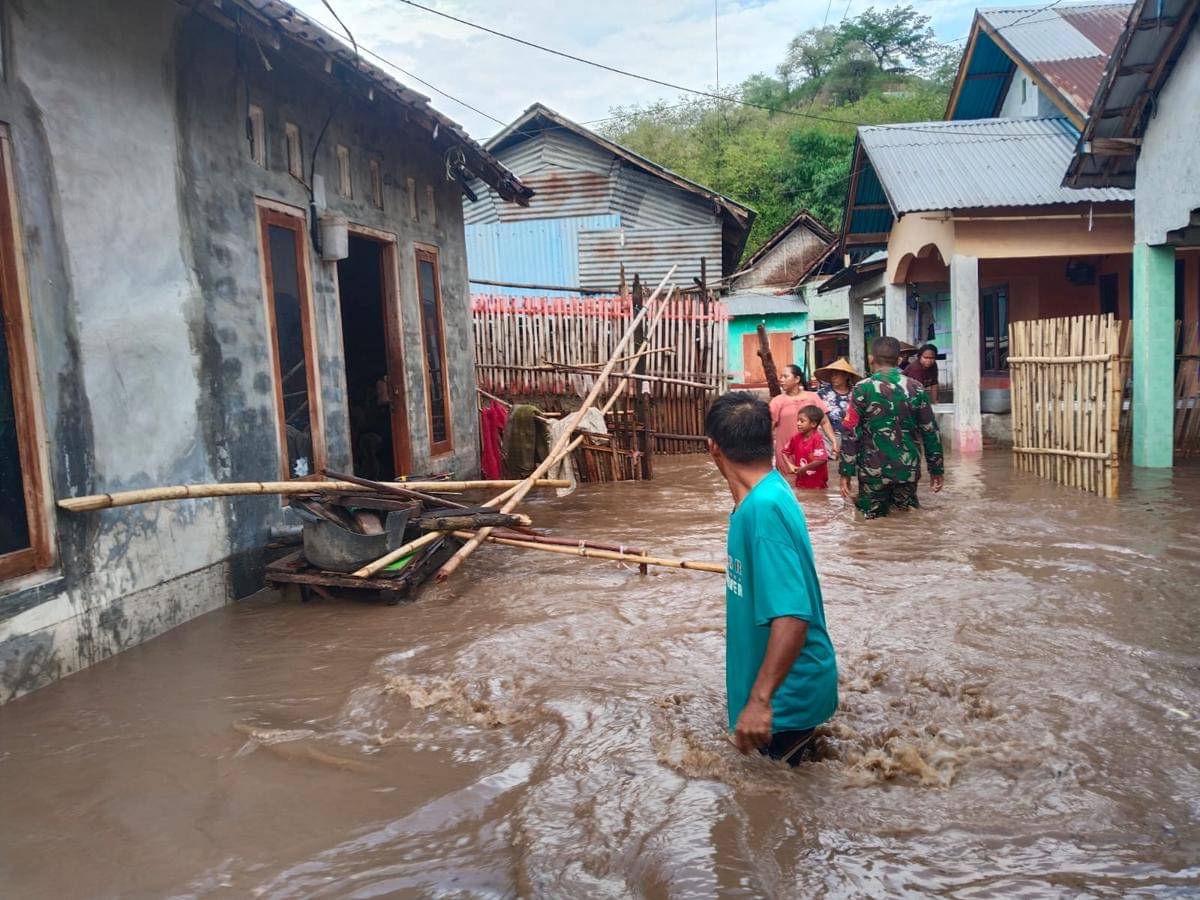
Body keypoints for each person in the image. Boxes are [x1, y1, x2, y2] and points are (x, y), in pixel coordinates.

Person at [704, 392, 838, 765]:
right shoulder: (768, 490)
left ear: (713, 447)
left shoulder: (762, 511)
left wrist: (760, 701)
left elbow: (793, 616)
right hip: (784, 696)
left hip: (785, 702)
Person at [839, 336, 945, 518]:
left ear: (871, 359)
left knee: (871, 522)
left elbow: (851, 433)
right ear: (898, 360)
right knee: (907, 519)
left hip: (873, 470)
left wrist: (846, 472)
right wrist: (936, 469)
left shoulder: (861, 389)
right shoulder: (916, 388)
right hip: (907, 468)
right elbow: (930, 431)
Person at [770, 364, 837, 473]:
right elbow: (769, 428)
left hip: (811, 451)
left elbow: (824, 422)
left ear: (797, 379)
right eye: (780, 377)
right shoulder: (777, 401)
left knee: (812, 484)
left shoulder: (812, 397)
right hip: (786, 453)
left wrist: (834, 442)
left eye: (785, 377)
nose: (781, 380)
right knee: (789, 483)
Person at [783, 405, 830, 490]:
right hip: (800, 482)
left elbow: (822, 459)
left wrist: (804, 469)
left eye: (802, 421)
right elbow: (784, 452)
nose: (798, 424)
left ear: (813, 424)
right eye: (797, 420)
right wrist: (790, 465)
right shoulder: (796, 438)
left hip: (818, 484)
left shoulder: (817, 439)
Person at [813, 358, 862, 439]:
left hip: (852, 438)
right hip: (828, 438)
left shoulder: (856, 393)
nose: (833, 377)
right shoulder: (822, 394)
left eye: (837, 374)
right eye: (832, 374)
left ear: (846, 376)